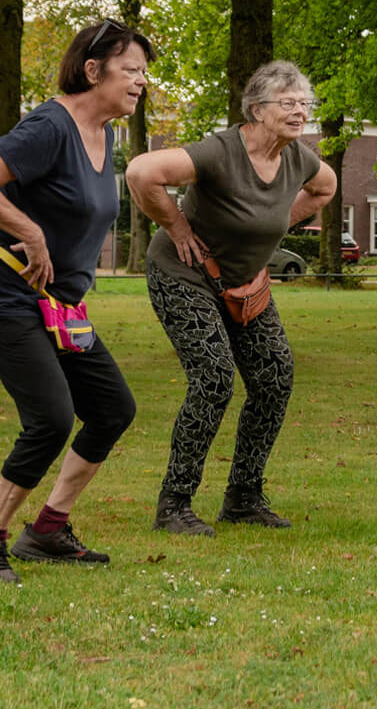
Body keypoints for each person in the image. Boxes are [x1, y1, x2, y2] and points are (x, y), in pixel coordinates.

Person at [126, 61, 336, 535]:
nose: (300, 110)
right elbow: (141, 171)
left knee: (274, 376)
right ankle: (174, 504)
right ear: (257, 109)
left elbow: (326, 188)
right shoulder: (221, 152)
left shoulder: (299, 158)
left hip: (246, 285)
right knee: (214, 377)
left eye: (305, 103)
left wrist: (273, 229)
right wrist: (177, 226)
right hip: (184, 277)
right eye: (288, 102)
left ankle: (243, 496)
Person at [0, 19, 152, 583]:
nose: (140, 82)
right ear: (93, 70)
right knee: (51, 418)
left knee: (112, 409)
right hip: (9, 295)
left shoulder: (105, 133)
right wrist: (31, 232)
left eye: (144, 73)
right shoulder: (49, 126)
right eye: (131, 70)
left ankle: (46, 532)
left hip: (60, 308)